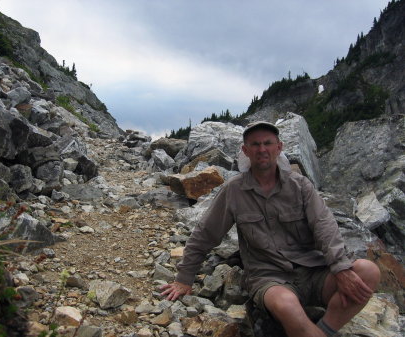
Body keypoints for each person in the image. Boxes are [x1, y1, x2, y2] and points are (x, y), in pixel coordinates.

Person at [161, 121, 380, 337]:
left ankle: (323, 329)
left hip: (313, 271)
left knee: (368, 271)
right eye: (255, 145)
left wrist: (341, 268)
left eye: (268, 143)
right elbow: (205, 234)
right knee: (287, 306)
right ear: (245, 151)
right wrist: (184, 278)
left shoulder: (301, 186)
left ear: (279, 147)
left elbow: (325, 226)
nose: (262, 149)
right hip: (269, 277)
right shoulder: (234, 191)